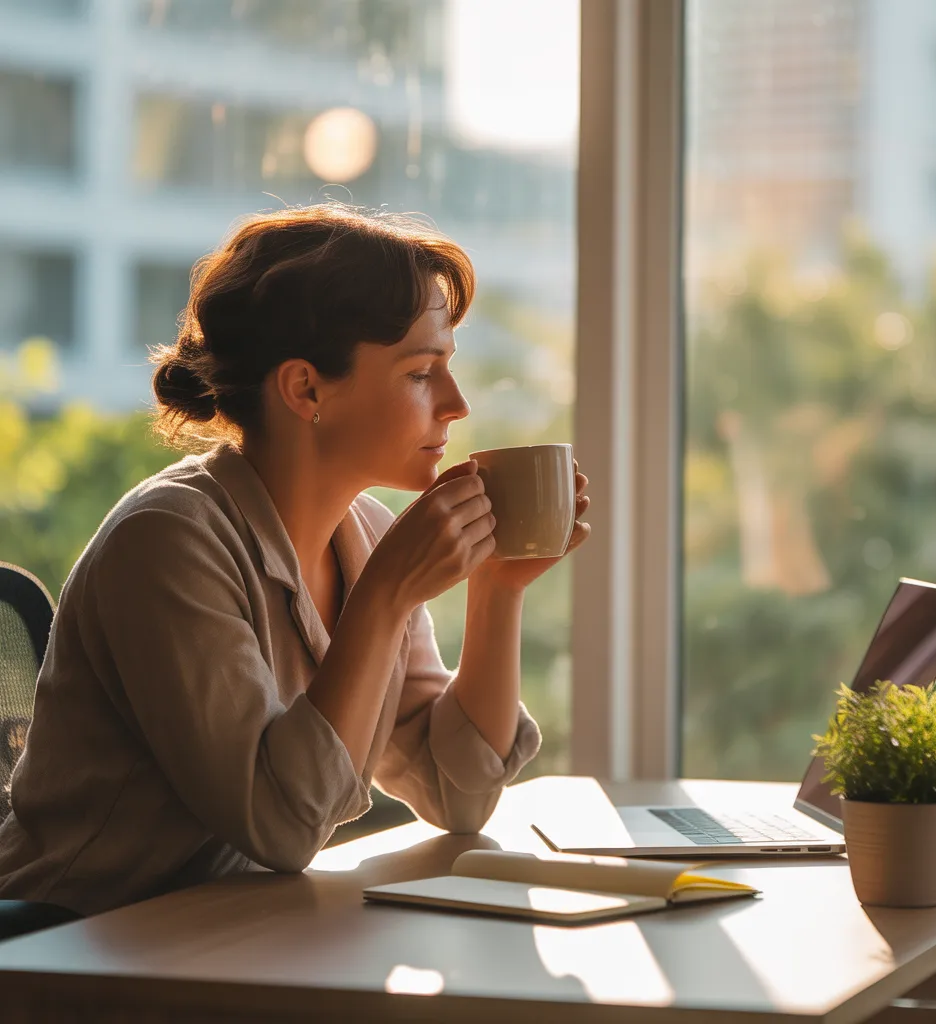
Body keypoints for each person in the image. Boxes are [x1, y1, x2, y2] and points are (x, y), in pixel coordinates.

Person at [0, 204, 590, 916]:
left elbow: (456, 793)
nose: (456, 404)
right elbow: (280, 825)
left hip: (230, 931)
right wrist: (384, 598)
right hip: (69, 947)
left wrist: (498, 590)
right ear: (307, 388)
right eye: (420, 372)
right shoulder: (166, 541)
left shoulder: (365, 534)